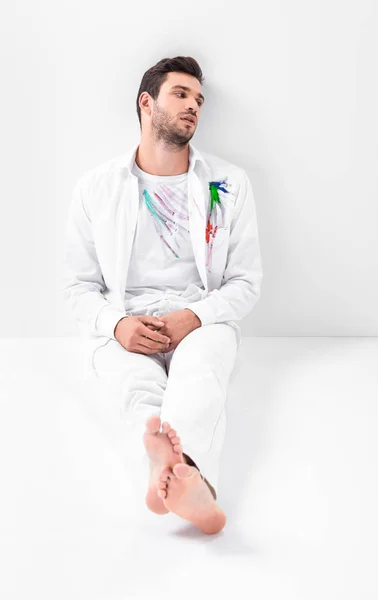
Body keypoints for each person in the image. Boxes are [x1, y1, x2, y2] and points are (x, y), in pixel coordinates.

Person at [62, 56, 263, 535]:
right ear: (145, 102)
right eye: (181, 94)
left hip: (200, 317)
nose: (194, 106)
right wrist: (117, 325)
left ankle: (189, 479)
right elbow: (77, 286)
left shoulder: (227, 184)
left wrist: (191, 316)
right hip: (124, 320)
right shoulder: (96, 187)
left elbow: (246, 282)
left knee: (199, 374)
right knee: (135, 387)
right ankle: (166, 464)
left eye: (199, 100)